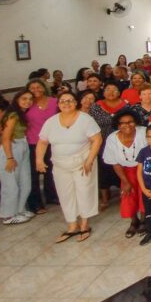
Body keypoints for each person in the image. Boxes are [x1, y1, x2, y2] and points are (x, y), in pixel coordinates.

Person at [36, 91, 102, 243]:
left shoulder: (85, 119)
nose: (66, 104)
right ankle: (72, 225)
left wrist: (89, 160)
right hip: (60, 163)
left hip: (82, 161)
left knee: (84, 191)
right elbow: (42, 142)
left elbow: (97, 140)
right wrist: (39, 159)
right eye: (63, 101)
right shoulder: (51, 121)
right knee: (65, 193)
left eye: (70, 100)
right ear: (58, 104)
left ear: (76, 102)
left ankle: (84, 224)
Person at [102, 109, 147, 237]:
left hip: (143, 168)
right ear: (118, 125)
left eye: (130, 122)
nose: (127, 125)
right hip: (125, 171)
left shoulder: (143, 132)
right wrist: (125, 181)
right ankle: (134, 221)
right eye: (122, 123)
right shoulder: (112, 138)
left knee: (143, 194)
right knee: (128, 194)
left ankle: (144, 220)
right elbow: (114, 162)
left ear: (136, 122)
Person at [0, 89, 35, 225]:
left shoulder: (22, 114)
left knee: (25, 182)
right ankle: (8, 215)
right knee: (10, 185)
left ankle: (19, 209)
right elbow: (5, 138)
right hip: (11, 150)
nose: (27, 101)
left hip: (22, 146)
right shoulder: (13, 115)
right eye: (24, 99)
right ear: (17, 100)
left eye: (30, 99)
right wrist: (9, 158)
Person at [89, 83, 129, 210]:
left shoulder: (126, 105)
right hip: (102, 143)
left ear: (119, 92)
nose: (111, 92)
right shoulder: (96, 106)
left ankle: (125, 195)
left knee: (124, 169)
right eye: (108, 89)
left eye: (114, 90)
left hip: (123, 142)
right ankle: (105, 199)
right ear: (103, 92)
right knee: (104, 171)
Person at [25, 79, 59, 214]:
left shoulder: (54, 102)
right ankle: (35, 203)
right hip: (33, 142)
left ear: (44, 88)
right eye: (32, 88)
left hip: (53, 141)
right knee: (34, 173)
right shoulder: (27, 103)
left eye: (38, 87)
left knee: (51, 171)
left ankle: (51, 195)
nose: (35, 90)